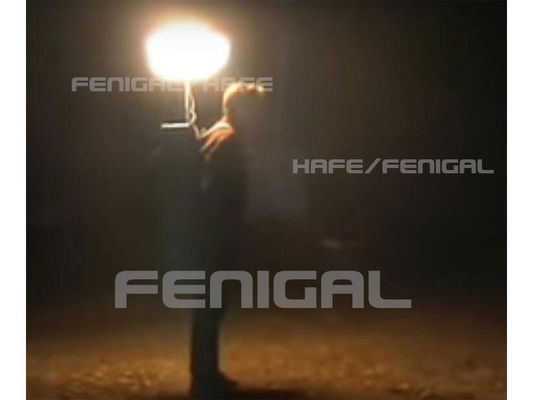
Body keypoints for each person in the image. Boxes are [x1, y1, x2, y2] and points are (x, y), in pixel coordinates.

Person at [190, 82, 264, 399]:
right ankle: (205, 374)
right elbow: (221, 194)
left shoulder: (217, 134)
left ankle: (206, 370)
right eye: (255, 109)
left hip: (209, 233)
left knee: (209, 306)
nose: (259, 117)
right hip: (217, 235)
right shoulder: (229, 142)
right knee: (212, 305)